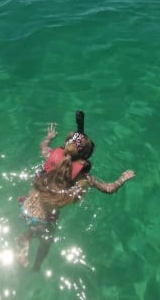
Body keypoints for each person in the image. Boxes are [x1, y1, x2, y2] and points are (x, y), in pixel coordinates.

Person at [15, 111, 135, 271]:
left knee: (34, 228)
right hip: (44, 219)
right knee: (46, 243)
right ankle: (35, 265)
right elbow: (108, 189)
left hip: (27, 205)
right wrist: (123, 178)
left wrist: (49, 137)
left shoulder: (50, 155)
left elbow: (42, 146)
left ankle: (26, 237)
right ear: (85, 157)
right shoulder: (83, 177)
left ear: (66, 146)